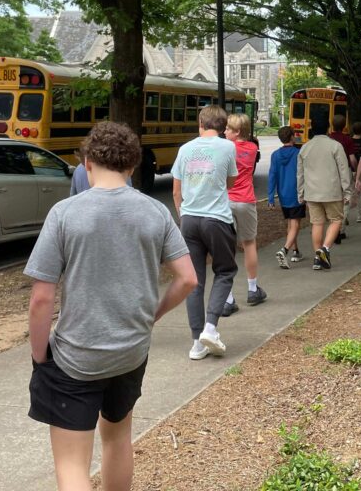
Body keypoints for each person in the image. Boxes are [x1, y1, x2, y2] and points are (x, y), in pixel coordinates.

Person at [26, 121, 196, 491]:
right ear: (133, 166)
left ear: (87, 163)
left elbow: (42, 297)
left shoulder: (65, 214)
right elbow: (188, 279)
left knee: (72, 464)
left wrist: (40, 354)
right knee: (117, 439)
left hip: (76, 355)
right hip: (130, 351)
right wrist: (152, 315)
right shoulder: (155, 212)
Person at [172, 105, 238, 360]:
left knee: (193, 280)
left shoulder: (185, 149)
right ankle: (211, 327)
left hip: (189, 219)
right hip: (216, 219)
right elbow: (230, 182)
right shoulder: (228, 147)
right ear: (223, 126)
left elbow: (177, 191)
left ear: (200, 122)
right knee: (225, 271)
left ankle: (196, 342)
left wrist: (183, 215)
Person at [221, 113, 266, 315]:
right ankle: (252, 288)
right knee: (249, 243)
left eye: (229, 129)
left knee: (226, 249)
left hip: (227, 200)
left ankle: (228, 297)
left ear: (237, 131)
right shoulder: (252, 148)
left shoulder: (225, 149)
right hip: (246, 200)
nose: (225, 131)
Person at [296, 118, 351, 270]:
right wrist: (347, 190)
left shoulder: (305, 148)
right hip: (332, 191)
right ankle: (325, 249)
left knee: (317, 223)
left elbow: (300, 174)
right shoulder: (335, 146)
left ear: (312, 128)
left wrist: (300, 193)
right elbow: (343, 170)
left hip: (312, 192)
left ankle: (317, 257)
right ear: (328, 128)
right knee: (336, 220)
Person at [268, 126, 305, 268]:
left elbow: (272, 176)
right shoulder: (298, 153)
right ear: (292, 137)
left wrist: (271, 198)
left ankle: (296, 250)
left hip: (283, 194)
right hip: (296, 192)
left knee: (290, 223)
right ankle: (285, 249)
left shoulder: (275, 155)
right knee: (295, 224)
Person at [328, 114, 358, 242]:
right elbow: (352, 158)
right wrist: (355, 170)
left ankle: (333, 226)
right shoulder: (347, 139)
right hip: (344, 173)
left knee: (333, 201)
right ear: (344, 125)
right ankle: (340, 230)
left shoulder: (328, 139)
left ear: (332, 125)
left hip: (330, 174)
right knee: (345, 201)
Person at [349, 121, 361, 223]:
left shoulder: (349, 141)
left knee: (350, 192)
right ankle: (359, 215)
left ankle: (346, 215)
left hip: (350, 169)